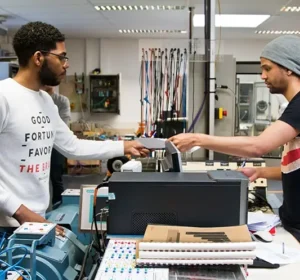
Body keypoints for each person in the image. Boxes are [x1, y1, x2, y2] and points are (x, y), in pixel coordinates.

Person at [0, 21, 148, 231]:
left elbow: (72, 146)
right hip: (7, 224)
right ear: (39, 58)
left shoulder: (45, 100)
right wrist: (22, 213)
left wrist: (123, 147)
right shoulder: (4, 96)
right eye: (61, 57)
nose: (66, 64)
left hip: (35, 220)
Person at [169, 35, 300, 241]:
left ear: (288, 67)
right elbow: (295, 165)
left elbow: (258, 146)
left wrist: (197, 139)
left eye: (267, 68)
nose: (262, 76)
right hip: (292, 221)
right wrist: (260, 171)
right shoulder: (294, 107)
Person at [42, 86, 71, 209]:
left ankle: (58, 207)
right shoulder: (34, 98)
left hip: (56, 146)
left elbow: (63, 126)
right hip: (38, 144)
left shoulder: (61, 101)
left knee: (56, 178)